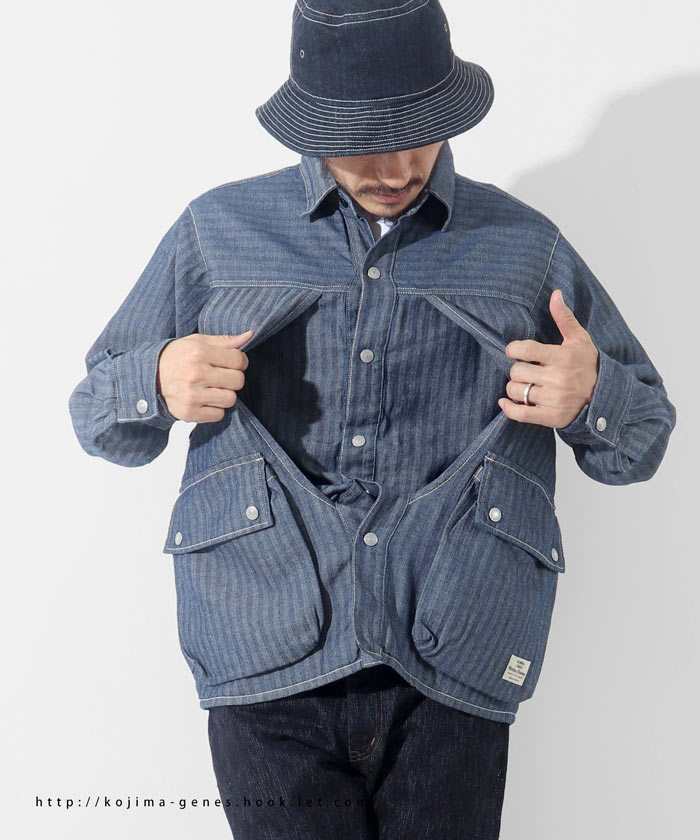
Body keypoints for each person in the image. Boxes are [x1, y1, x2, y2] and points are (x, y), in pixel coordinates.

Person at [68, 2, 677, 838]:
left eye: (418, 132)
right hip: (261, 648)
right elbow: (99, 420)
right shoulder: (217, 232)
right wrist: (157, 379)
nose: (394, 166)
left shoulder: (525, 247)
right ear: (310, 126)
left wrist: (593, 394)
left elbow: (641, 443)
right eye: (360, 139)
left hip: (455, 651)